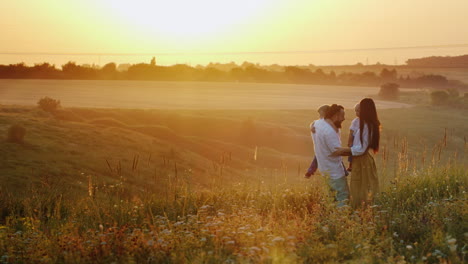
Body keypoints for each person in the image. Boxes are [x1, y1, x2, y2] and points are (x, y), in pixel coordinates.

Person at [331, 98, 380, 209]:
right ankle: (359, 209)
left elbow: (361, 149)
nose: (357, 113)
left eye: (360, 110)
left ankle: (362, 210)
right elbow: (352, 138)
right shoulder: (360, 122)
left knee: (362, 187)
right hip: (358, 159)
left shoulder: (369, 126)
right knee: (356, 185)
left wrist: (342, 151)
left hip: (362, 159)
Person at [311, 104, 349, 207]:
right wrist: (356, 151)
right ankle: (342, 219)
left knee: (331, 198)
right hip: (334, 171)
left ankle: (332, 218)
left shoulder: (317, 124)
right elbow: (337, 151)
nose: (344, 118)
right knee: (342, 196)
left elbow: (313, 123)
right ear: (335, 115)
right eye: (342, 115)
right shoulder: (329, 131)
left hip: (324, 170)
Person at [304, 104, 330, 178]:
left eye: (320, 113)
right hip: (321, 144)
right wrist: (311, 126)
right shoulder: (318, 122)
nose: (319, 115)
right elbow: (312, 124)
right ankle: (310, 172)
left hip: (324, 144)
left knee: (318, 157)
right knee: (318, 157)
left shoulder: (327, 122)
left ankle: (310, 172)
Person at [346, 103, 360, 172]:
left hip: (360, 138)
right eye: (355, 111)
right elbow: (351, 132)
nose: (356, 113)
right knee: (352, 152)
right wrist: (350, 141)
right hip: (354, 137)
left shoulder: (366, 122)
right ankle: (350, 165)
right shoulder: (355, 121)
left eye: (358, 111)